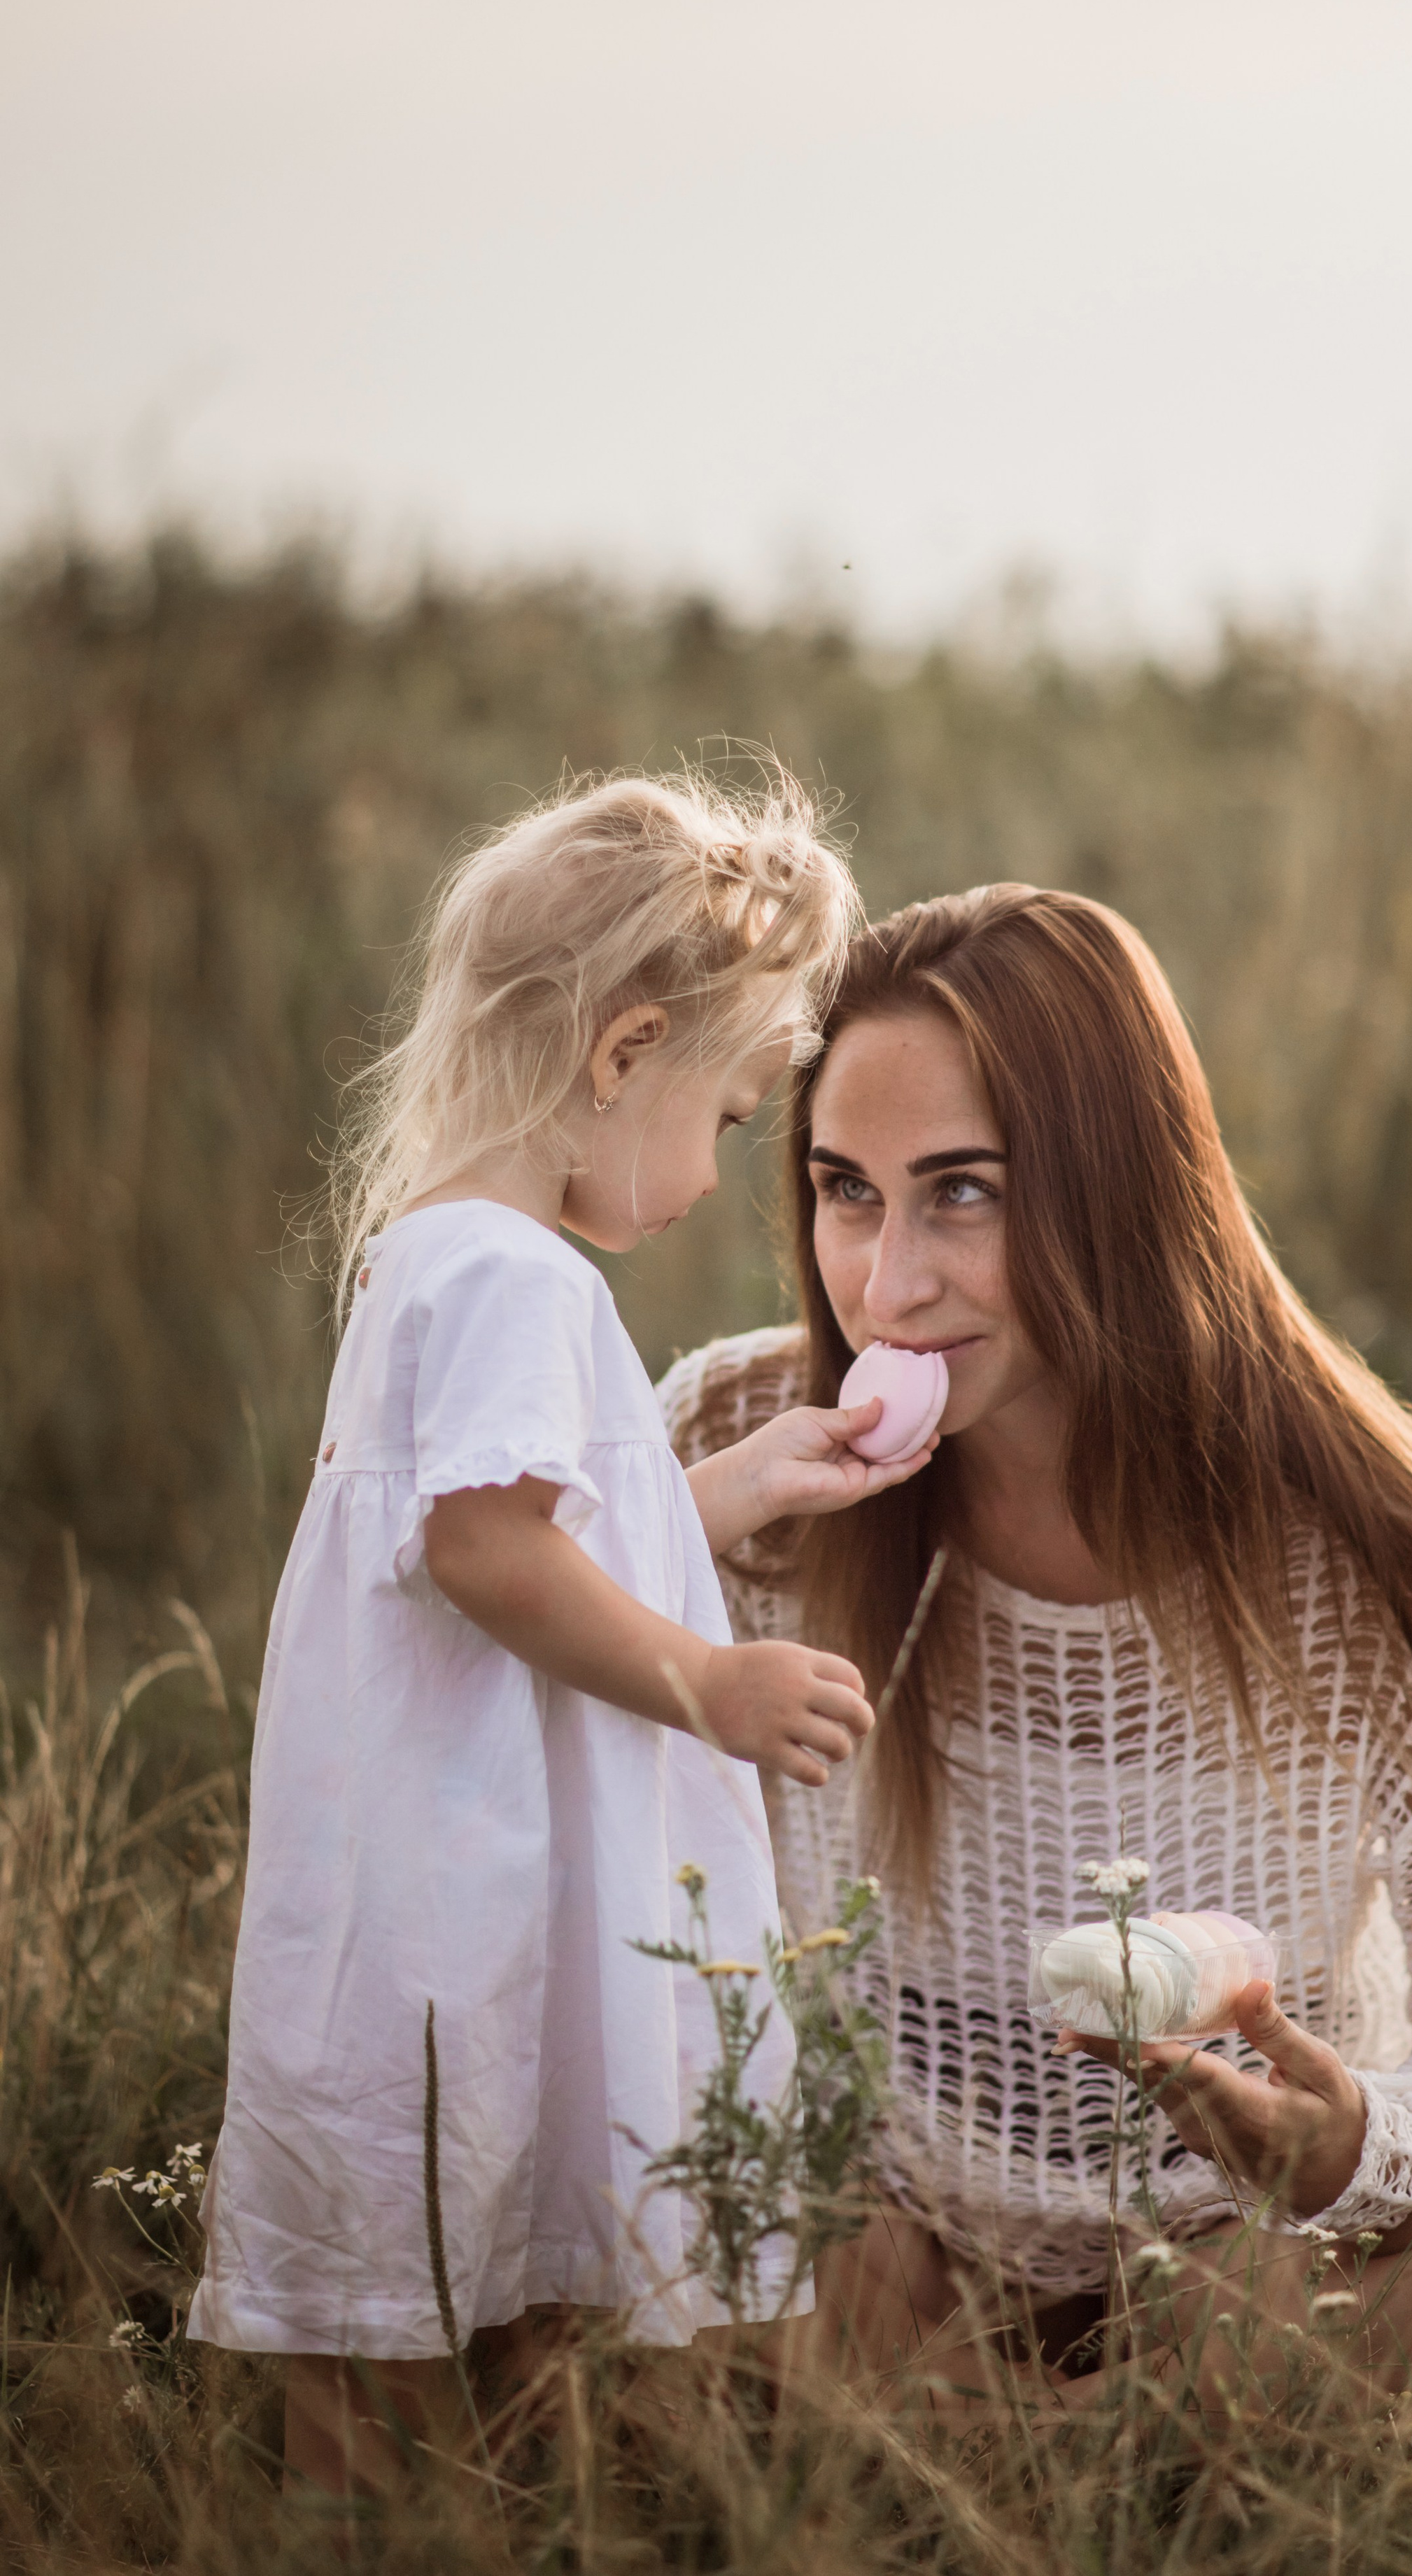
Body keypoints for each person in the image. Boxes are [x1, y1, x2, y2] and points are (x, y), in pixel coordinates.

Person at [661, 883, 1412, 2423]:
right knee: (651, 2187)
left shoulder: (1370, 1552)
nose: (886, 1283)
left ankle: (1011, 2441)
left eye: (963, 1192)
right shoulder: (731, 1443)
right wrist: (668, 1523)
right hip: (877, 2226)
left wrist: (1354, 2144)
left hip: (1248, 2254)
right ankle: (1096, 2448)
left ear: (1118, 1189)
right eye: (844, 1188)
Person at [187, 774, 933, 2495]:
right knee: (411, 2336)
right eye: (737, 1114)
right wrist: (709, 1678)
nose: (720, 1170)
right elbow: (482, 1550)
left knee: (421, 2305)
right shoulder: (521, 1277)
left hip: (419, 1867)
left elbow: (540, 1520)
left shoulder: (432, 1255)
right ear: (624, 1053)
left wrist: (736, 1483)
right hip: (470, 1885)